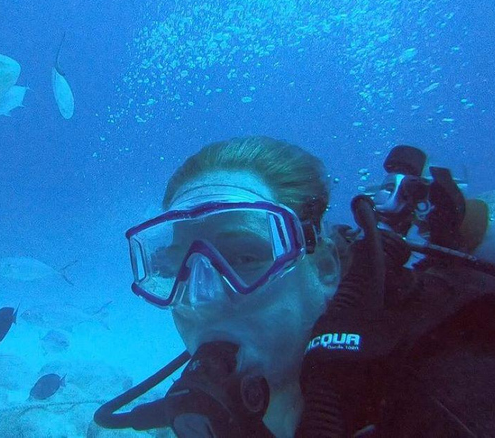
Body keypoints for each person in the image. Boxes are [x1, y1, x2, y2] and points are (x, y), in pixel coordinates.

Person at [95, 136, 495, 437]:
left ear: (323, 269)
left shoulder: (446, 389)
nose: (202, 298)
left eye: (246, 258)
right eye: (177, 264)